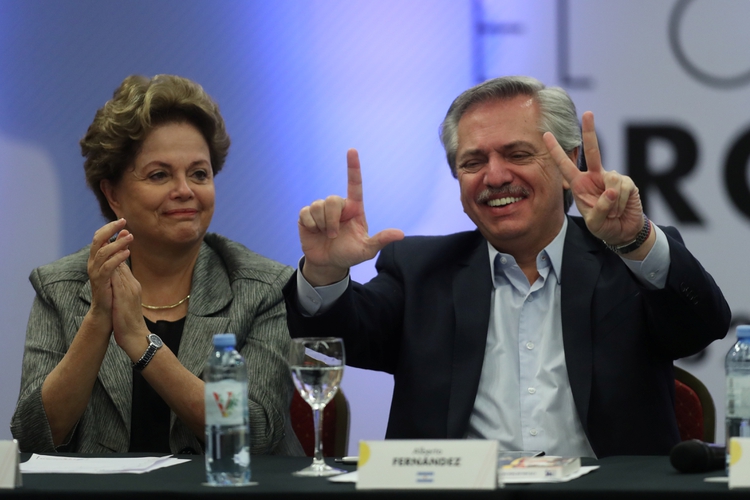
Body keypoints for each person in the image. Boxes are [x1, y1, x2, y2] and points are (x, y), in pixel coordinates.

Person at [283, 76, 731, 458]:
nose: (495, 177)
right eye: (473, 162)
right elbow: (346, 337)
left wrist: (635, 241)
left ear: (567, 162)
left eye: (517, 154)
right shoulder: (419, 268)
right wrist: (325, 272)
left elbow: (703, 326)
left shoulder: (627, 258)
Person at [12, 74, 302, 456]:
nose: (184, 190)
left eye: (199, 173)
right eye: (160, 174)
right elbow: (32, 439)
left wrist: (141, 343)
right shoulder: (60, 287)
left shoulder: (263, 288)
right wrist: (99, 319)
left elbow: (254, 434)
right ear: (113, 194)